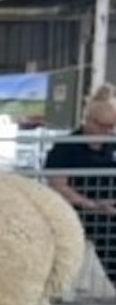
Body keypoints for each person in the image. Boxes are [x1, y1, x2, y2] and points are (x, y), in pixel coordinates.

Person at [45, 83, 116, 287]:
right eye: (103, 126)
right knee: (108, 232)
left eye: (111, 127)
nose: (108, 131)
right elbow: (59, 186)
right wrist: (92, 204)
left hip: (109, 204)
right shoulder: (65, 148)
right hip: (80, 209)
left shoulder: (112, 144)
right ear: (89, 120)